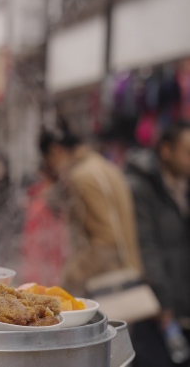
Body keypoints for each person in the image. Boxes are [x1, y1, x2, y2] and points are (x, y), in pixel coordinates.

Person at [39, 122, 143, 297]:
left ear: (56, 151)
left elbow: (105, 240)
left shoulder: (83, 176)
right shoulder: (101, 165)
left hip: (106, 283)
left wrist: (71, 276)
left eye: (49, 162)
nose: (53, 170)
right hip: (123, 274)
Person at [126, 122, 190, 367]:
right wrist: (163, 305)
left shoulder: (185, 187)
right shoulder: (140, 187)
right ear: (166, 150)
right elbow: (146, 247)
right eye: (187, 152)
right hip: (156, 309)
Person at [20, 165, 69, 286]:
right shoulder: (38, 207)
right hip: (41, 271)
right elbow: (33, 246)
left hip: (50, 269)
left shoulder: (47, 207)